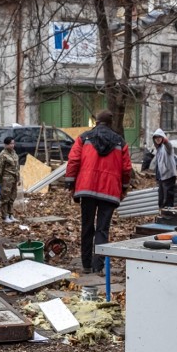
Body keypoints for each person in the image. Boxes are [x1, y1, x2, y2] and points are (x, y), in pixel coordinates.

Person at [65, 110, 132, 274]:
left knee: (87, 226)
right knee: (102, 229)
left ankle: (86, 265)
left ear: (96, 122)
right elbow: (126, 169)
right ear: (110, 123)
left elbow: (73, 161)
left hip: (87, 188)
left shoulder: (83, 138)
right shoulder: (120, 142)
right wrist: (123, 188)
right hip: (109, 192)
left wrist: (70, 185)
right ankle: (98, 266)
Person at [0, 136, 20, 223]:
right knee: (5, 198)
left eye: (13, 143)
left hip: (14, 179)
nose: (12, 145)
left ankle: (10, 214)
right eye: (10, 144)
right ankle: (4, 216)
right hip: (6, 179)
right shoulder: (3, 155)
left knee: (12, 197)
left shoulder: (14, 153)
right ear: (6, 145)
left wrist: (18, 178)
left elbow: (17, 167)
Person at [152, 128, 177, 209]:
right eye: (155, 138)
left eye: (159, 137)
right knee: (161, 198)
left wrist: (165, 141)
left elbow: (169, 146)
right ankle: (162, 213)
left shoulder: (166, 148)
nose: (157, 139)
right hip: (161, 177)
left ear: (162, 137)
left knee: (168, 198)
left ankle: (168, 215)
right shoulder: (158, 149)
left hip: (168, 175)